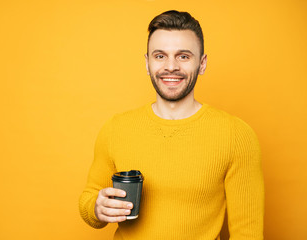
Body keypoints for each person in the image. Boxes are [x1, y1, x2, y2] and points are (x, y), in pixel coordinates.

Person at [79, 10, 264, 240]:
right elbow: (89, 200)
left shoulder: (236, 135)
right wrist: (97, 209)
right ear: (147, 63)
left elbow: (247, 233)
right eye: (160, 56)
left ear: (202, 63)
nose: (171, 67)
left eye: (183, 56)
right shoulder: (115, 128)